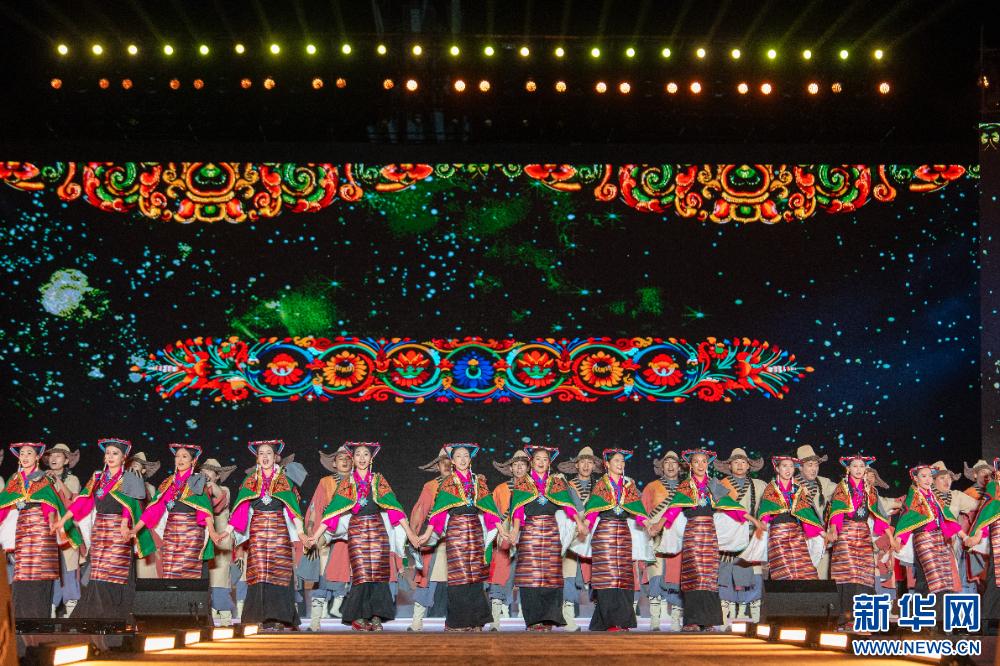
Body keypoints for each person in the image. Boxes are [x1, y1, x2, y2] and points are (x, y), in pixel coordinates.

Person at [308, 442, 419, 631]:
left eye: (365, 454)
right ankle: (359, 617)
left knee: (378, 574)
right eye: (358, 454)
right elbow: (332, 512)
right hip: (357, 530)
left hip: (377, 531)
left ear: (371, 458)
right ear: (353, 458)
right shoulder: (347, 482)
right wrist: (315, 536)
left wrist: (410, 533)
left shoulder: (378, 480)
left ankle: (376, 617)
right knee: (361, 575)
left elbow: (395, 508)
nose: (361, 458)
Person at [661, 448, 761, 632]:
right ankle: (691, 621)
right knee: (694, 575)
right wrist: (659, 524)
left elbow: (732, 506)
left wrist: (753, 520)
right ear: (691, 465)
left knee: (708, 577)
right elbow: (673, 509)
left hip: (709, 533)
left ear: (707, 464)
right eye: (696, 461)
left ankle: (708, 621)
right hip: (692, 534)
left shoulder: (713, 484)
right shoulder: (686, 486)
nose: (700, 465)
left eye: (703, 461)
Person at [51, 438, 150, 621]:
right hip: (100, 529)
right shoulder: (98, 477)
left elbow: (130, 504)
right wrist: (63, 520)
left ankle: (115, 618)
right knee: (98, 575)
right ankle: (95, 618)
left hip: (118, 531)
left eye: (115, 453)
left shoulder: (129, 478)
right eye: (108, 453)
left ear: (123, 458)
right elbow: (82, 500)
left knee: (114, 574)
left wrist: (124, 523)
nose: (110, 456)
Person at [217, 440, 308, 631]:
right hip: (258, 531)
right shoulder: (250, 480)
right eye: (261, 453)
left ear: (275, 457)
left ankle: (281, 618)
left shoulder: (285, 480)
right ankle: (258, 617)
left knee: (279, 573)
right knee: (259, 573)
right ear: (257, 458)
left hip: (278, 530)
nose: (265, 457)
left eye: (269, 453)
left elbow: (293, 509)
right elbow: (241, 509)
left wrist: (301, 533)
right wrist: (226, 531)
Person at [415, 442, 502, 632]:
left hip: (475, 530)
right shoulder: (448, 483)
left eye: (465, 456)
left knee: (475, 576)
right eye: (458, 456)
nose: (462, 459)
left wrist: (500, 529)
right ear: (452, 461)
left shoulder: (478, 482)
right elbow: (438, 513)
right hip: (456, 531)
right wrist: (428, 533)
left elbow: (490, 510)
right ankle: (456, 622)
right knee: (459, 576)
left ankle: (476, 621)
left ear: (470, 459)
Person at [502, 446, 584, 631]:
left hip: (550, 531)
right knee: (531, 576)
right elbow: (518, 510)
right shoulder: (523, 483)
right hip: (530, 532)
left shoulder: (556, 483)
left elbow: (568, 505)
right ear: (532, 462)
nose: (541, 462)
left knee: (550, 575)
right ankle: (533, 620)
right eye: (538, 459)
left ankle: (549, 618)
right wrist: (515, 530)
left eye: (545, 459)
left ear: (549, 463)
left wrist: (579, 522)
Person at [1, 442, 81, 618]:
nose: (25, 457)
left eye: (29, 453)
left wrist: (51, 522)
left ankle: (40, 614)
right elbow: (3, 505)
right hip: (23, 527)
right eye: (22, 453)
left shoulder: (42, 478)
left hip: (42, 527)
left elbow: (50, 503)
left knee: (40, 570)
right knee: (22, 572)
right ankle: (21, 615)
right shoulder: (14, 479)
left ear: (37, 457)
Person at [577, 448, 649, 632]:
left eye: (622, 461)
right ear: (607, 464)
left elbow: (638, 512)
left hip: (623, 534)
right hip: (605, 535)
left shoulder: (628, 485)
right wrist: (584, 526)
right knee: (607, 578)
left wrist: (649, 525)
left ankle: (623, 621)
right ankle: (608, 621)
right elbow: (592, 512)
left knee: (623, 578)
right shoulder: (601, 485)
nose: (620, 464)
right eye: (616, 461)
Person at [825, 453, 895, 630]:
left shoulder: (870, 490)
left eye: (862, 466)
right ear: (848, 469)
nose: (858, 469)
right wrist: (833, 529)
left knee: (864, 575)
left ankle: (863, 617)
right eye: (855, 466)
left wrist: (891, 537)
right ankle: (845, 617)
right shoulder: (842, 488)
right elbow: (837, 512)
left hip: (863, 533)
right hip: (846, 532)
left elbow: (880, 516)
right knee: (847, 574)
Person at [129, 443, 220, 579]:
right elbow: (153, 509)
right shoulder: (169, 482)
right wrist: (135, 529)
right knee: (169, 571)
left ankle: (189, 594)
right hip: (171, 531)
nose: (180, 459)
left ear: (193, 461)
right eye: (177, 456)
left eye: (184, 456)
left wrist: (212, 531)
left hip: (191, 533)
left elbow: (204, 509)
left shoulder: (197, 480)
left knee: (187, 573)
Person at [895, 465, 967, 602]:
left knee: (939, 577)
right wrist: (898, 540)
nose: (928, 479)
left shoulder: (934, 497)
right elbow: (907, 520)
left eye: (930, 476)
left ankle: (928, 611)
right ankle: (931, 610)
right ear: (916, 479)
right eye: (923, 476)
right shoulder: (914, 498)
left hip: (940, 540)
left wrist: (964, 536)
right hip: (924, 539)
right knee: (934, 576)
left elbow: (947, 518)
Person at [302, 445, 353, 630]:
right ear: (334, 463)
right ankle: (315, 620)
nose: (344, 461)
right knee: (322, 571)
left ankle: (360, 617)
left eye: (348, 458)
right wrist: (310, 529)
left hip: (353, 531)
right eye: (340, 458)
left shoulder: (359, 482)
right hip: (328, 529)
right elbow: (315, 507)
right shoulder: (326, 482)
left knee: (353, 573)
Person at [714, 448, 766, 625]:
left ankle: (753, 616)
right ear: (729, 465)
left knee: (754, 572)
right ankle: (724, 615)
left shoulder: (760, 485)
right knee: (726, 572)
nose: (740, 465)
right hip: (729, 535)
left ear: (749, 466)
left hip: (752, 533)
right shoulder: (720, 484)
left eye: (743, 462)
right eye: (736, 462)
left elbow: (767, 506)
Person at [556, 445, 602, 631]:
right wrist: (578, 523)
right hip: (573, 532)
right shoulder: (567, 485)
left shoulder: (601, 486)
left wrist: (588, 522)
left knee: (597, 575)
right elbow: (565, 507)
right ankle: (568, 617)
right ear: (576, 465)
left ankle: (600, 617)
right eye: (583, 462)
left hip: (594, 532)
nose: (586, 465)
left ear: (594, 465)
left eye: (590, 462)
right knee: (569, 573)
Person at [755, 456, 822, 581]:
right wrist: (763, 523)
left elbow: (805, 513)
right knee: (784, 569)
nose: (788, 469)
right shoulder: (771, 488)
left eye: (791, 466)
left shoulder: (798, 489)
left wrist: (820, 531)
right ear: (777, 469)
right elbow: (766, 509)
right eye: (784, 466)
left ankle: (805, 593)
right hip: (778, 533)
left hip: (797, 532)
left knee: (803, 568)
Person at [408, 448, 451, 631]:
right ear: (438, 466)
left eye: (450, 462)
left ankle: (457, 621)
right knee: (426, 579)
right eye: (443, 462)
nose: (447, 465)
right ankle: (417, 621)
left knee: (460, 583)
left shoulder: (465, 485)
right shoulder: (431, 486)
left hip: (459, 540)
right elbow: (420, 511)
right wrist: (414, 535)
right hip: (434, 538)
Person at [641, 450, 685, 631]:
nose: (670, 466)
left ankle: (675, 619)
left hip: (679, 539)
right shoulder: (651, 487)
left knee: (677, 579)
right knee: (655, 576)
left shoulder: (686, 488)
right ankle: (655, 619)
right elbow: (643, 512)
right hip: (656, 538)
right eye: (667, 462)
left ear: (680, 467)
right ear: (661, 467)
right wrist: (648, 531)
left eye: (674, 462)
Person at [488, 449, 531, 629]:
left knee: (530, 576)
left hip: (530, 535)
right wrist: (500, 531)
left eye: (523, 464)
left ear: (528, 467)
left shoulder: (535, 488)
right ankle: (495, 618)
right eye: (516, 465)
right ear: (511, 468)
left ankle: (530, 616)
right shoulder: (501, 489)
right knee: (500, 573)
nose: (519, 468)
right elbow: (491, 513)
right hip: (505, 535)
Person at [44, 443, 82, 617]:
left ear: (66, 461)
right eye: (52, 455)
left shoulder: (72, 479)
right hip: (49, 529)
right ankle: (52, 604)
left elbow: (70, 499)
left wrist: (57, 480)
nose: (54, 458)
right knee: (52, 568)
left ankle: (71, 605)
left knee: (69, 567)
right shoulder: (43, 479)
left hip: (67, 529)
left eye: (58, 456)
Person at [931, 461, 980, 594]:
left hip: (952, 541)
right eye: (942, 478)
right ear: (933, 480)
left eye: (949, 478)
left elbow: (979, 506)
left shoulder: (956, 496)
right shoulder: (926, 496)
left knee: (953, 577)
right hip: (930, 541)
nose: (947, 481)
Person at [200, 457, 238, 626]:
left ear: (217, 476)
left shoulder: (224, 489)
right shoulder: (197, 492)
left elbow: (219, 500)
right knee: (205, 578)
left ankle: (225, 614)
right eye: (203, 471)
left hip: (221, 541)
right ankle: (207, 612)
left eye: (209, 471)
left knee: (220, 579)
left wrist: (207, 484)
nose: (205, 474)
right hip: (203, 540)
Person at [965, 458, 1000, 625]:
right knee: (995, 581)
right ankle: (987, 624)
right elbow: (986, 514)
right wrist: (977, 535)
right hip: (997, 538)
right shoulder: (994, 487)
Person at [795, 444, 838, 579]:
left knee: (820, 580)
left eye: (816, 465)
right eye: (810, 465)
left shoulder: (824, 483)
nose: (814, 469)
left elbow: (842, 494)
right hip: (798, 539)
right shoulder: (791, 485)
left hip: (821, 540)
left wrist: (833, 527)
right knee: (799, 578)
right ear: (800, 467)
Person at [127, 451, 161, 578]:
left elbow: (152, 511)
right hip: (125, 528)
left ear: (143, 470)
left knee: (144, 572)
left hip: (142, 529)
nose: (134, 465)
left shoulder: (150, 488)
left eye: (137, 464)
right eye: (132, 463)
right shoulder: (120, 484)